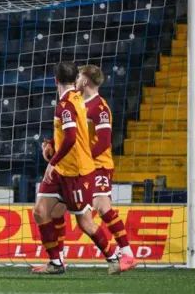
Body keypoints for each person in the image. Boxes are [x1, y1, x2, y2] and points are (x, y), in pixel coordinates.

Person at [37, 65, 137, 272]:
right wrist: (53, 147)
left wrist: (65, 158)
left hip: (94, 165)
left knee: (98, 210)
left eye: (81, 77)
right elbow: (69, 135)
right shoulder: (77, 101)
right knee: (50, 211)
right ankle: (58, 260)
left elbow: (102, 142)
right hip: (70, 165)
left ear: (83, 81)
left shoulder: (99, 108)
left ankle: (124, 254)